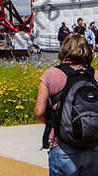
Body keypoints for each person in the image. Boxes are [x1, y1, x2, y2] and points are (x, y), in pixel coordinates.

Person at [35, 34, 98, 175]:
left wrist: (55, 123)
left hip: (62, 145)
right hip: (93, 146)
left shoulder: (51, 74)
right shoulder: (95, 75)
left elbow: (39, 112)